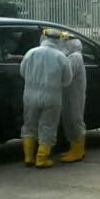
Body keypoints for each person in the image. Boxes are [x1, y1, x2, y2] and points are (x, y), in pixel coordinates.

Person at [19, 28, 73, 168]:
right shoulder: (61, 57)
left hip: (29, 96)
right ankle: (42, 159)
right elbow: (67, 80)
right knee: (48, 126)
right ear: (59, 40)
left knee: (29, 125)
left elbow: (22, 72)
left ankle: (28, 157)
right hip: (52, 97)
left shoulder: (31, 53)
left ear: (44, 38)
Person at [57, 32, 87, 163]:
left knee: (75, 120)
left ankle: (78, 151)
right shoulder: (72, 56)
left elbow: (66, 75)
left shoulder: (74, 57)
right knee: (69, 119)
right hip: (70, 93)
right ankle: (74, 149)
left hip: (74, 94)